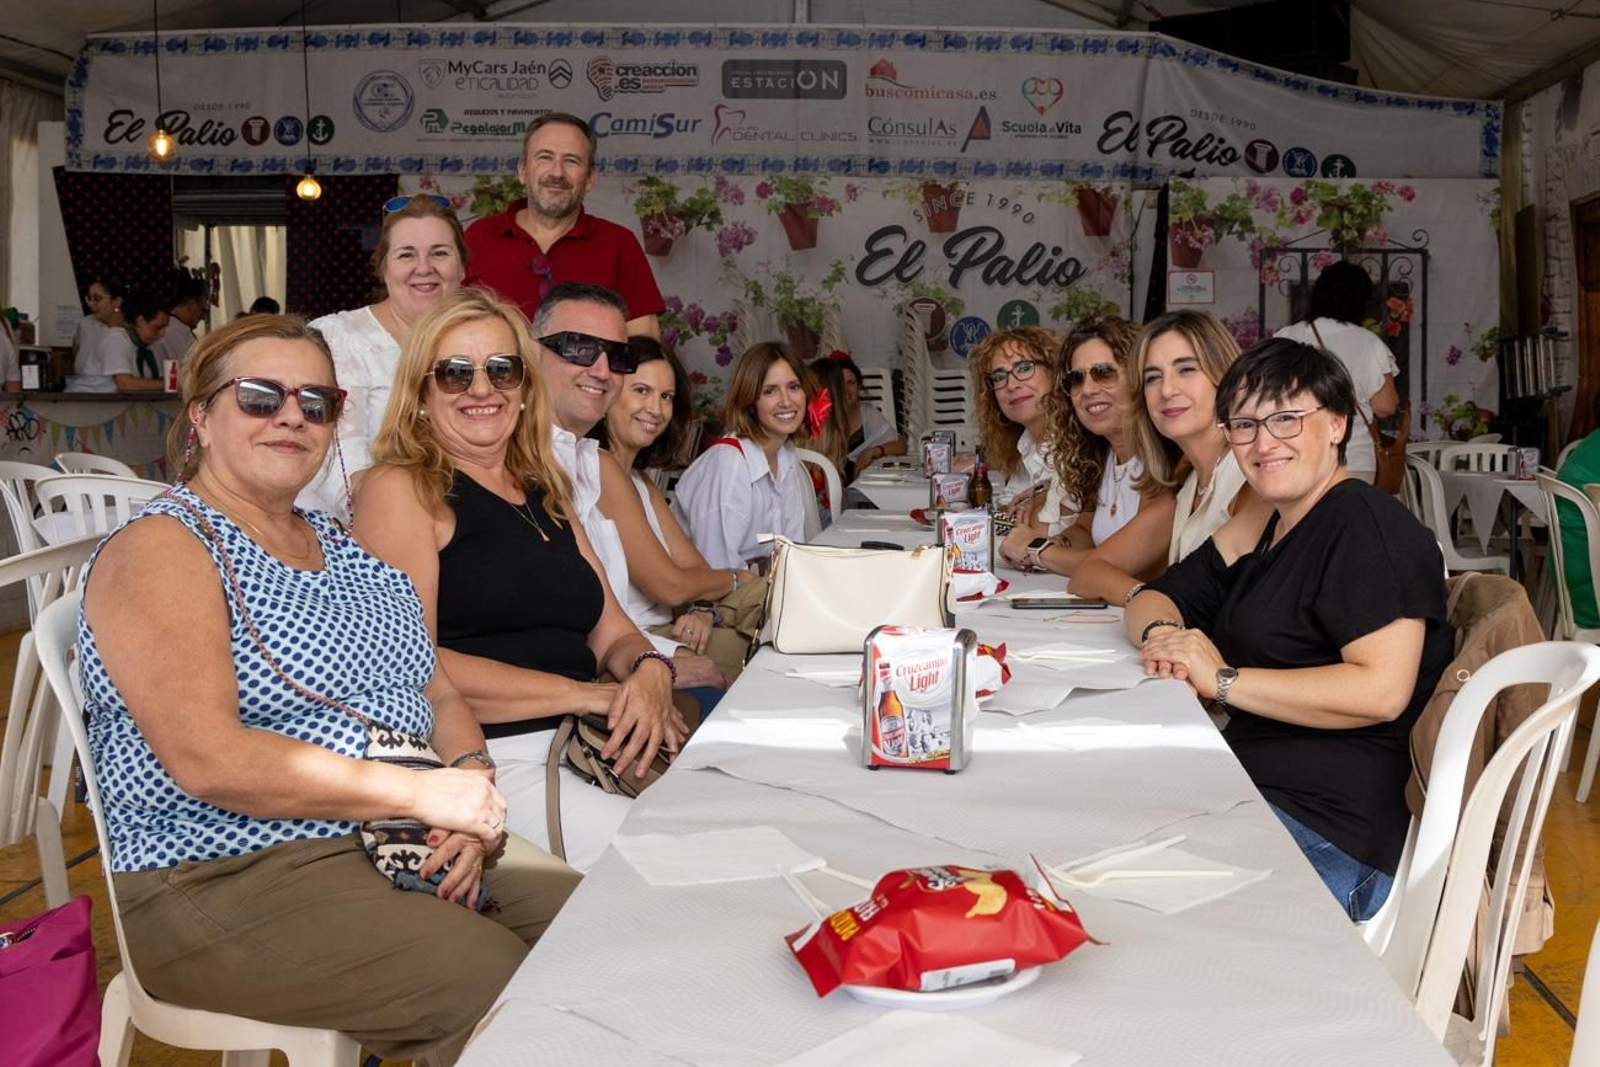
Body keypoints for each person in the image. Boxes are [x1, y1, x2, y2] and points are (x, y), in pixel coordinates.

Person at [79, 314, 580, 1064]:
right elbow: (209, 759)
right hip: (219, 870)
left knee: (598, 926)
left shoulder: (340, 544)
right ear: (203, 417)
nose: (291, 415)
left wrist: (470, 794)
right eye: (259, 396)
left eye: (316, 402)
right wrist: (416, 795)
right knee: (489, 986)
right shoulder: (165, 547)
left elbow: (438, 691)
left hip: (391, 832)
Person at [354, 289, 689, 872]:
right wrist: (585, 694)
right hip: (493, 757)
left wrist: (649, 671)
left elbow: (613, 630)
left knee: (733, 822)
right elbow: (412, 667)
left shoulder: (544, 488)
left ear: (523, 387)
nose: (482, 389)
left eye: (501, 370)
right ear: (421, 395)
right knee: (673, 861)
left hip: (591, 741)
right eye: (456, 373)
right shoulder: (402, 489)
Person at [1125, 338, 1450, 920]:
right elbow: (1157, 596)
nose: (1263, 442)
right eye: (1244, 425)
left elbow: (1380, 691)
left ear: (1336, 423)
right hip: (1255, 796)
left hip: (1332, 835)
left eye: (1285, 419)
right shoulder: (1270, 525)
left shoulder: (1366, 527)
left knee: (1123, 917)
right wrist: (1163, 639)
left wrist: (1220, 679)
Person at [592, 336, 758, 682]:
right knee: (761, 646)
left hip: (670, 629)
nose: (656, 409)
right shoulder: (598, 465)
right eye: (641, 391)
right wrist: (735, 578)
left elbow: (694, 569)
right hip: (630, 644)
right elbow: (670, 585)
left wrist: (700, 608)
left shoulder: (639, 480)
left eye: (666, 397)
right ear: (609, 394)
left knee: (768, 629)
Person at [1070, 311, 1264, 605]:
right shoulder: (1187, 486)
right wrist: (1148, 598)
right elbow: (1086, 575)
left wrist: (1159, 603)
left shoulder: (1254, 476)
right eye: (1152, 378)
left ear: (1225, 375)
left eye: (1186, 369)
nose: (1167, 390)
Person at [299, 194, 467, 517]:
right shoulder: (337, 338)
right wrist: (407, 522)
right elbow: (337, 460)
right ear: (384, 267)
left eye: (440, 253)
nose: (424, 268)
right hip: (355, 532)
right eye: (406, 255)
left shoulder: (479, 343)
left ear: (462, 266)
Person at [1000, 316, 1175, 577]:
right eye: (1076, 379)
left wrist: (1037, 550)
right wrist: (1055, 544)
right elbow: (1084, 531)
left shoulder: (1167, 462)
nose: (1088, 389)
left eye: (1103, 373)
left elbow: (1123, 566)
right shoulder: (1102, 454)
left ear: (1139, 377)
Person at [464, 112, 664, 336]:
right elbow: (442, 324)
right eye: (545, 157)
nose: (557, 172)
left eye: (571, 160)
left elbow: (644, 341)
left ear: (590, 179)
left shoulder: (619, 244)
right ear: (522, 171)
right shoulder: (478, 236)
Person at [674, 342, 817, 570]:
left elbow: (792, 551)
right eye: (769, 391)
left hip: (753, 589)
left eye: (793, 387)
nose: (786, 401)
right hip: (712, 596)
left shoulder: (785, 456)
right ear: (750, 401)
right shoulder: (729, 463)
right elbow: (716, 566)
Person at [1274, 262, 1400, 483]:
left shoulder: (1286, 336)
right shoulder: (1369, 343)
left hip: (1293, 455)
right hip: (1354, 459)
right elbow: (1385, 407)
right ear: (1361, 301)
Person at [968, 326, 1074, 534]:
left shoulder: (1078, 444)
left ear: (1054, 372)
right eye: (999, 377)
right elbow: (1009, 508)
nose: (1011, 384)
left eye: (1024, 368)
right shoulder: (1026, 442)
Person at [67, 289, 169, 393]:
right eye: (158, 327)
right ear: (140, 321)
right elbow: (125, 384)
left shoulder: (154, 345)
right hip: (87, 403)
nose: (162, 334)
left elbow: (158, 380)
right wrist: (170, 384)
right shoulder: (116, 338)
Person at [828, 351, 906, 479]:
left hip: (859, 489)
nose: (846, 389)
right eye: (840, 383)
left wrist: (872, 451)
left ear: (859, 387)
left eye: (851, 383)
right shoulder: (822, 416)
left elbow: (900, 445)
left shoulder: (867, 414)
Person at [154, 273, 207, 364]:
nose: (202, 317)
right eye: (202, 310)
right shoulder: (175, 330)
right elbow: (192, 366)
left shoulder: (178, 327)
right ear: (192, 305)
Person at [70, 276, 123, 365]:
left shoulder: (130, 329)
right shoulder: (85, 324)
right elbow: (76, 352)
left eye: (97, 299)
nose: (91, 304)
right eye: (89, 299)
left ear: (117, 301)